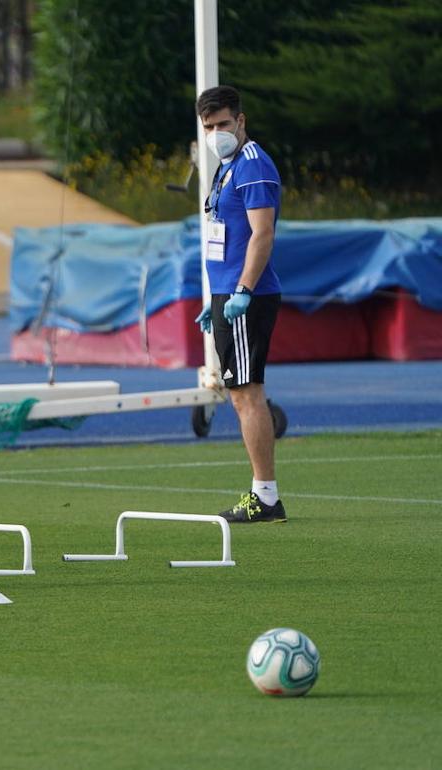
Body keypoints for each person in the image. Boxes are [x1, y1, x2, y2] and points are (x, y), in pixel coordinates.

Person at [193, 85, 286, 524]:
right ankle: (262, 494)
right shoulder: (227, 168)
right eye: (209, 127)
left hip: (245, 298)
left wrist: (243, 290)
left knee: (248, 396)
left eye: (223, 124)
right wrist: (214, 299)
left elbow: (261, 233)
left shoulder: (252, 166)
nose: (216, 134)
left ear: (241, 121)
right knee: (239, 396)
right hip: (227, 295)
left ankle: (265, 496)